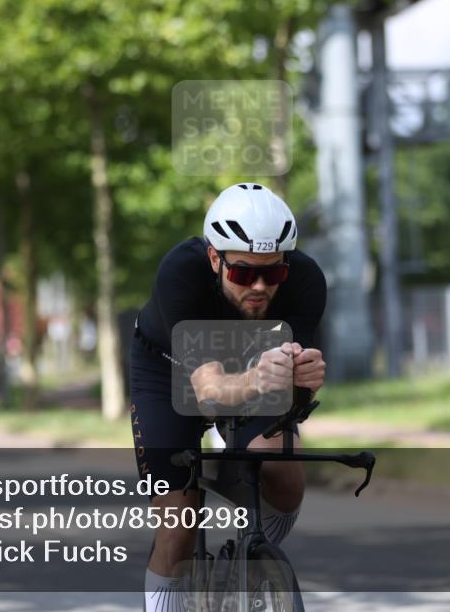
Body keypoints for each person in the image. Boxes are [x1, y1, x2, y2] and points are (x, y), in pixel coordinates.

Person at [130, 182, 327, 612]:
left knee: (286, 478)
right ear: (214, 258)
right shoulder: (180, 273)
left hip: (251, 370)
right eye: (242, 273)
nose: (259, 285)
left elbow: (289, 390)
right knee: (178, 525)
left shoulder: (307, 280)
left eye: (273, 273)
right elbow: (210, 390)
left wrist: (303, 380)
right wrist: (260, 380)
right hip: (167, 371)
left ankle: (252, 552)